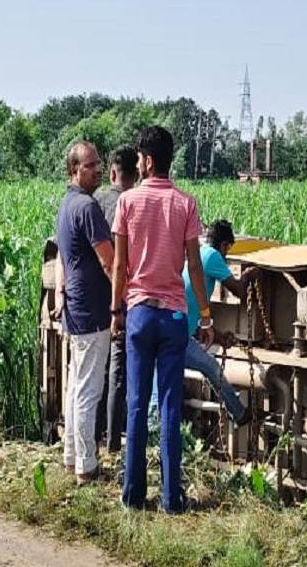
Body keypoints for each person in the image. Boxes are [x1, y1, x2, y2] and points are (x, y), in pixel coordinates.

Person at [111, 125, 212, 512]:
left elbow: (121, 264)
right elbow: (193, 267)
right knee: (170, 406)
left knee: (136, 404)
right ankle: (172, 498)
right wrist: (204, 314)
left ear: (148, 161)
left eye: (138, 158)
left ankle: (133, 496)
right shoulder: (186, 204)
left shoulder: (128, 203)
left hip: (138, 314)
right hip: (173, 318)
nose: (137, 164)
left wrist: (116, 310)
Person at [150, 219, 258, 426]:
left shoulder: (196, 253)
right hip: (178, 334)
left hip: (171, 326)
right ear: (225, 245)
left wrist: (217, 335)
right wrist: (248, 276)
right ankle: (239, 413)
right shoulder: (213, 256)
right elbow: (239, 291)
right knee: (211, 368)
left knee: (162, 385)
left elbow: (194, 309)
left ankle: (156, 433)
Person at [53, 140, 113, 484]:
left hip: (75, 306)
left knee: (76, 385)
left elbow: (63, 255)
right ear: (74, 170)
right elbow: (108, 261)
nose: (98, 170)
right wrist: (123, 299)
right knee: (89, 389)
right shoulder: (87, 208)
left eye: (99, 163)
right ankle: (87, 465)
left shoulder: (66, 204)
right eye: (91, 165)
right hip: (92, 309)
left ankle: (72, 456)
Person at [94, 145, 139, 453]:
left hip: (92, 299)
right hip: (120, 299)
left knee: (93, 371)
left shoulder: (93, 202)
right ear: (136, 175)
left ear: (112, 172)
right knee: (118, 371)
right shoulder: (131, 204)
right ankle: (113, 442)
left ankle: (91, 437)